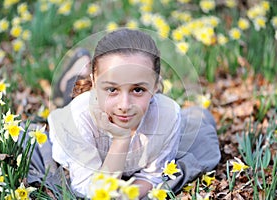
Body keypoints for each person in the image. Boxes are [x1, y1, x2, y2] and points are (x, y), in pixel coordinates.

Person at [34, 28, 220, 199]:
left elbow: (153, 177)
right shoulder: (78, 117)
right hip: (75, 119)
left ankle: (87, 75)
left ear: (155, 86)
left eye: (138, 89)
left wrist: (125, 195)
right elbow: (93, 190)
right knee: (70, 104)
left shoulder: (168, 115)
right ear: (95, 82)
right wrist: (121, 139)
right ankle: (73, 80)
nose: (125, 105)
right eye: (112, 89)